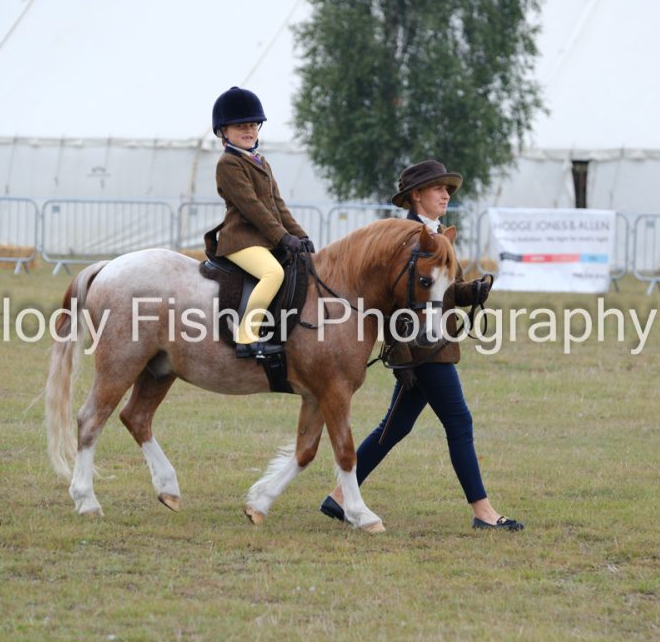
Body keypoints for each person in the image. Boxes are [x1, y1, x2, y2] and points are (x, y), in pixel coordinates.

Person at [319, 159, 524, 531]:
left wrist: (471, 291)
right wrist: (403, 356)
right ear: (416, 195)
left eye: (447, 189)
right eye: (438, 188)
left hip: (435, 345)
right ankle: (483, 512)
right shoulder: (405, 239)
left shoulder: (436, 235)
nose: (446, 194)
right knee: (459, 421)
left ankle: (340, 496)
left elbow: (443, 292)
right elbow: (389, 299)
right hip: (422, 349)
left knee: (395, 427)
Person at [209, 86, 314, 359]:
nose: (249, 130)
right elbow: (253, 208)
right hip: (240, 240)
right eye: (241, 126)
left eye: (253, 125)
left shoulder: (261, 162)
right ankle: (246, 337)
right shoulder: (228, 164)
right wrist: (283, 238)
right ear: (223, 132)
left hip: (264, 239)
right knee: (273, 273)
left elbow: (278, 205)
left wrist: (301, 236)